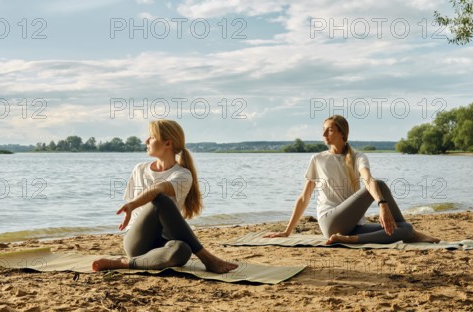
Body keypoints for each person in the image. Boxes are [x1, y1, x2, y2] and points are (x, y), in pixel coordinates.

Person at [92, 119, 238, 273]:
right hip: (138, 241)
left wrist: (132, 204)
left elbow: (159, 188)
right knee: (159, 200)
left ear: (168, 144)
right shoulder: (140, 169)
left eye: (152, 137)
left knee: (182, 250)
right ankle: (207, 258)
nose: (146, 140)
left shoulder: (182, 175)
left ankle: (125, 263)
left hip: (164, 242)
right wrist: (132, 206)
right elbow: (154, 196)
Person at [266, 115, 439, 245]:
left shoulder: (358, 157)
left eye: (330, 130)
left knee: (405, 228)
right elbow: (304, 198)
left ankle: (351, 239)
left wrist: (382, 205)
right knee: (379, 186)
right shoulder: (318, 159)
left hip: (354, 225)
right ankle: (354, 237)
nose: (324, 133)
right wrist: (287, 231)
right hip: (330, 221)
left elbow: (367, 179)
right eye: (324, 129)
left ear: (342, 134)